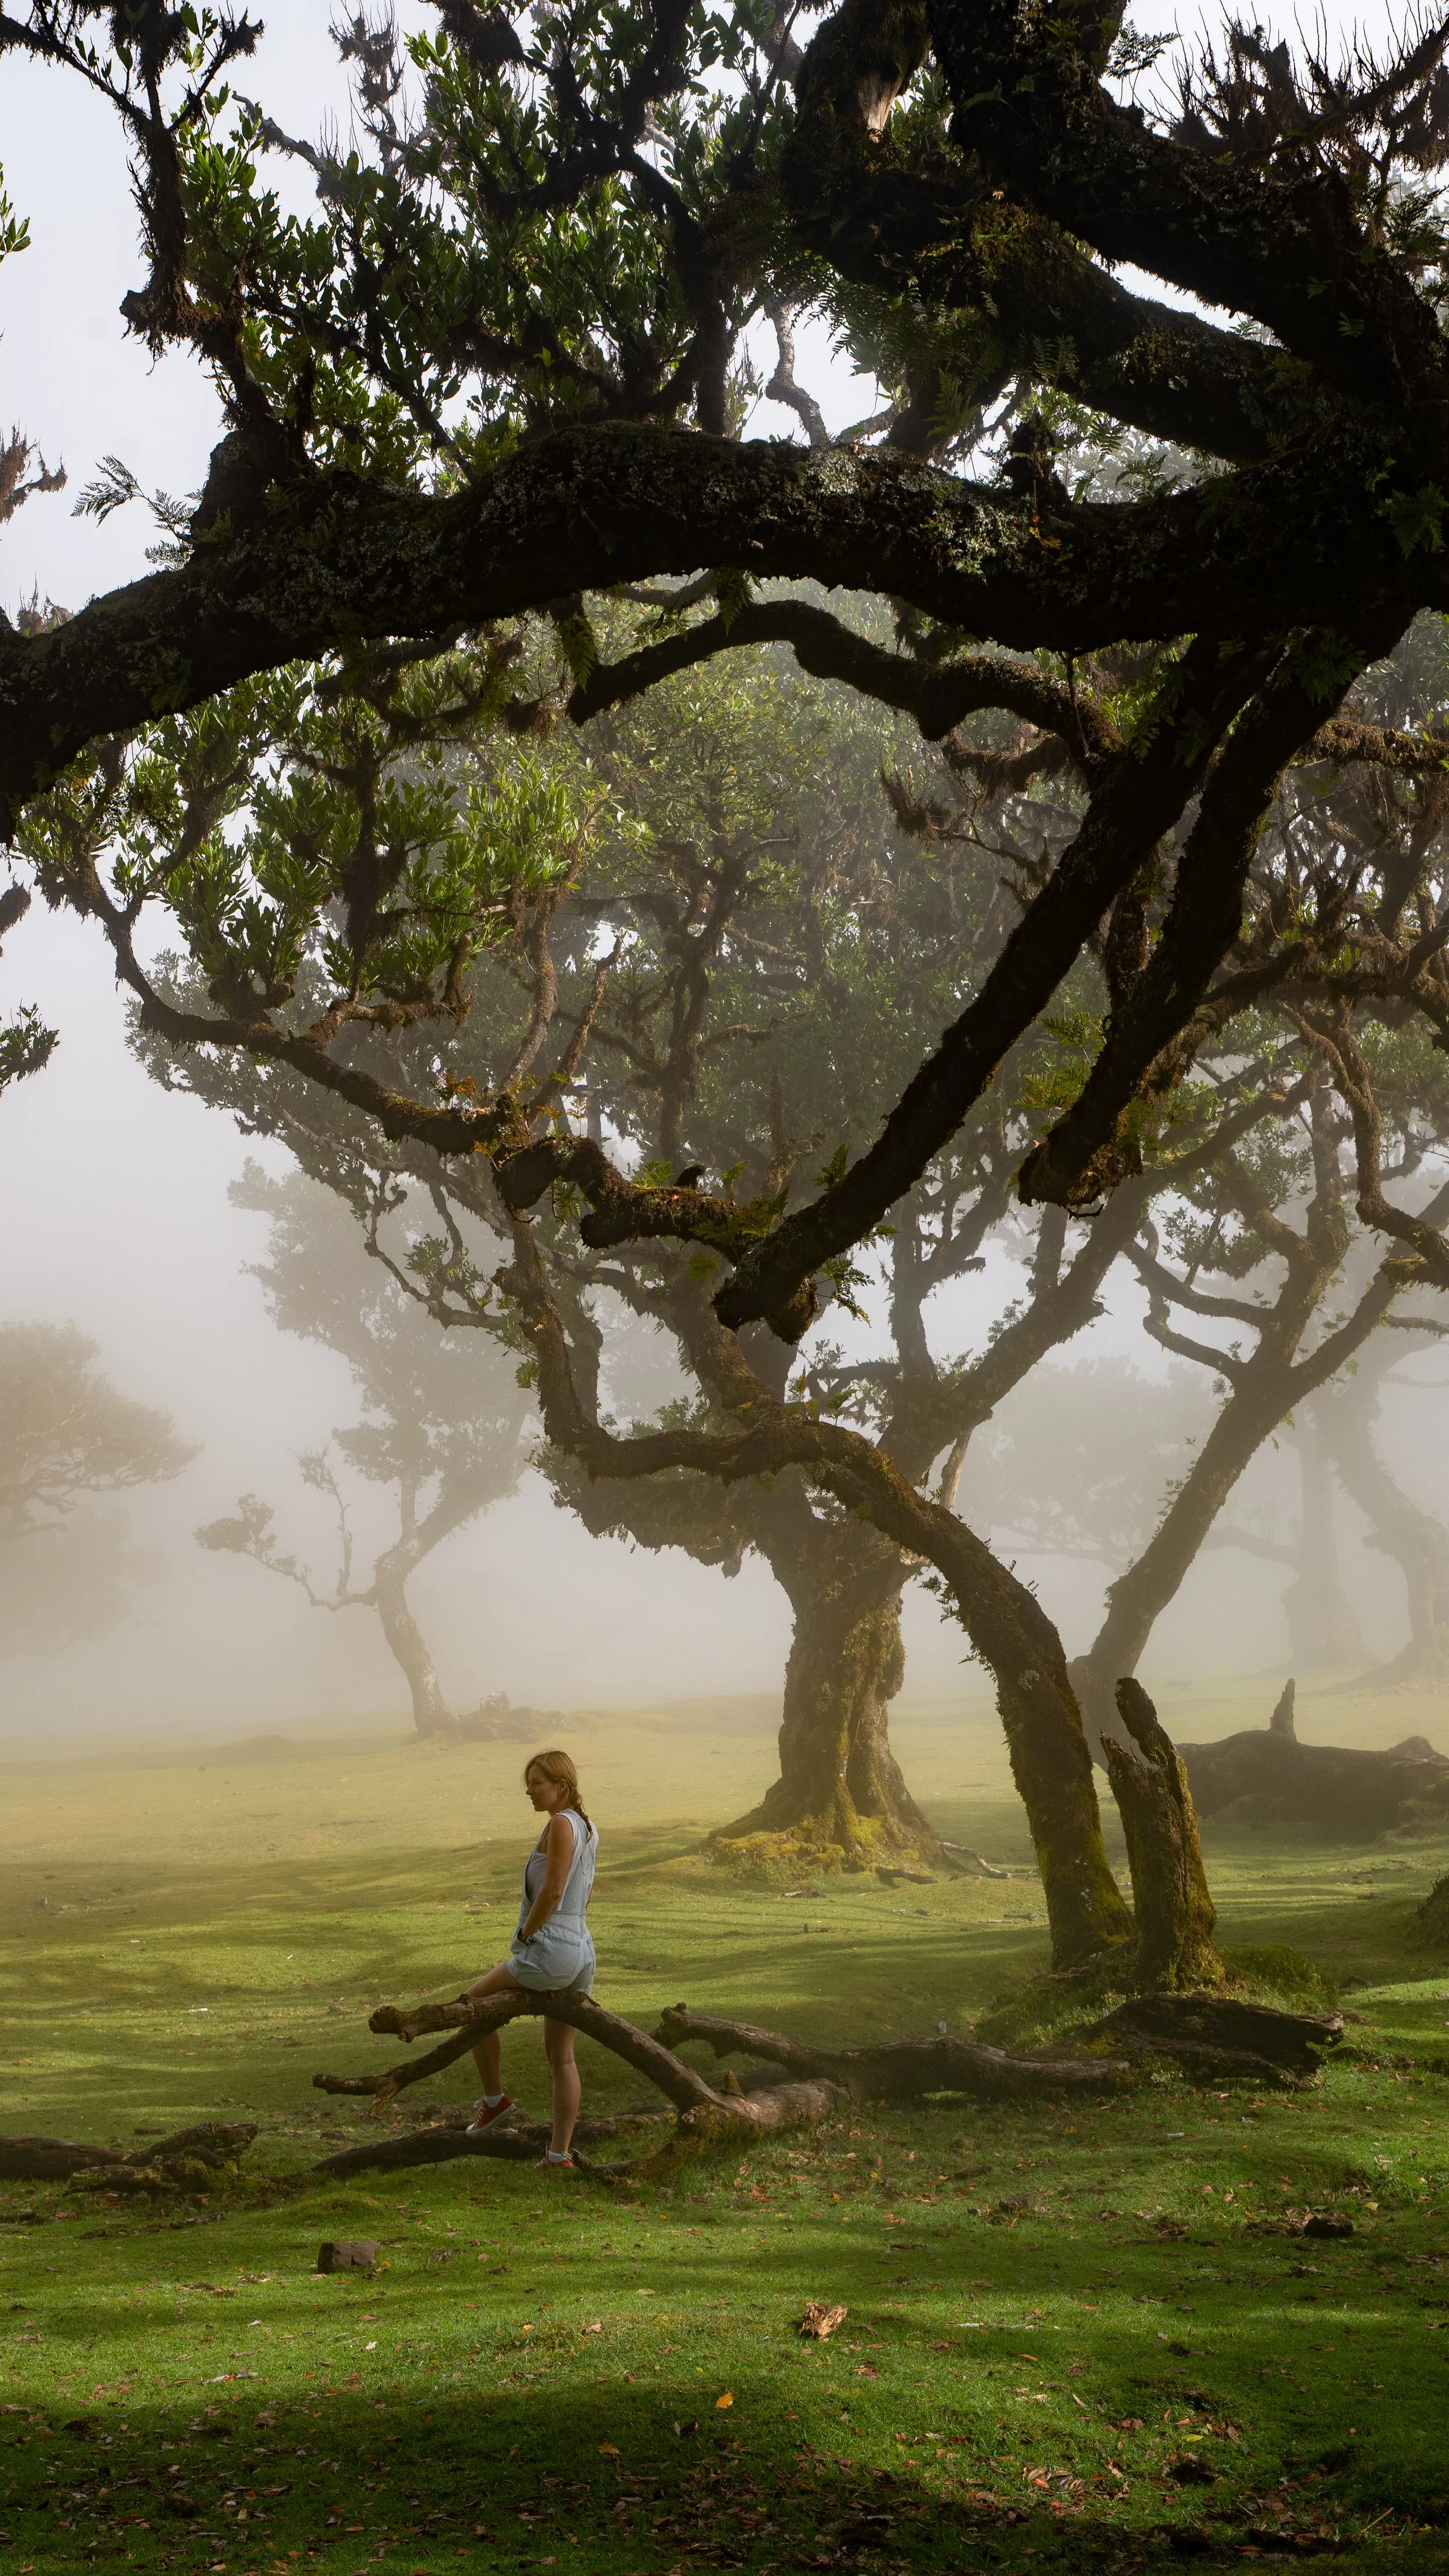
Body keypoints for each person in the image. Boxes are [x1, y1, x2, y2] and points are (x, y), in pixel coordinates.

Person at [462, 1748, 597, 2167]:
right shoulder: (587, 1826)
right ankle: (558, 2155)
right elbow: (584, 1892)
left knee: (471, 2005)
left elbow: (553, 1891)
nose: (529, 1790)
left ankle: (494, 2099)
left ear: (562, 1785)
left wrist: (525, 1933)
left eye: (537, 1782)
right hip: (582, 1952)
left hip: (550, 1951)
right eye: (528, 1782)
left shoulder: (560, 1823)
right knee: (563, 2057)